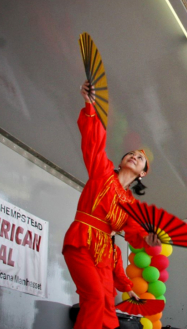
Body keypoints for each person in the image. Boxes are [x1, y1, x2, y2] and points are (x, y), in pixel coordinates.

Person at [63, 80, 161, 329]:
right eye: (132, 154)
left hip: (105, 254)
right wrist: (90, 105)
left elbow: (136, 234)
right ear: (121, 160)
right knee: (95, 299)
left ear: (142, 174)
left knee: (106, 309)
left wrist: (150, 240)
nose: (135, 156)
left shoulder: (131, 205)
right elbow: (93, 141)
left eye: (140, 159)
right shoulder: (102, 172)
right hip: (82, 241)